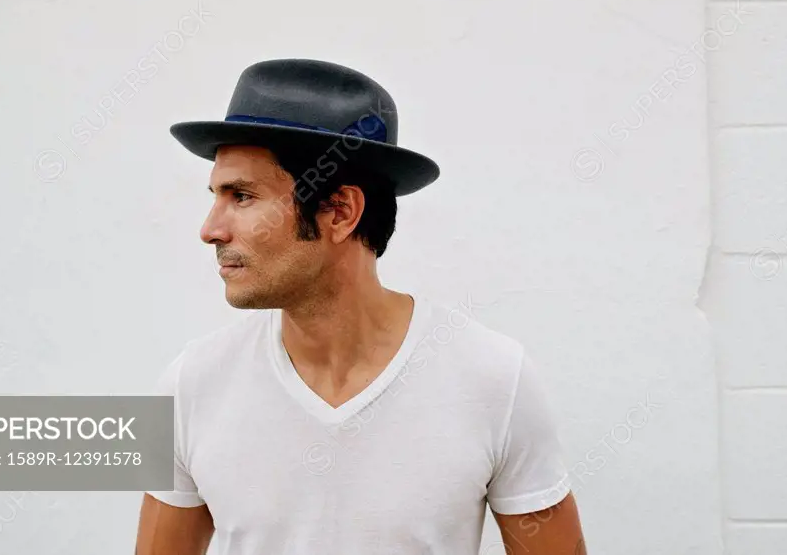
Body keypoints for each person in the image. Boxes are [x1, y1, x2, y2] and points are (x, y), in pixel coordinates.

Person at [134, 59, 586, 555]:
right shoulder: (192, 385)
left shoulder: (493, 379)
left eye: (241, 196)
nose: (210, 229)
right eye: (218, 195)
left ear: (340, 211)